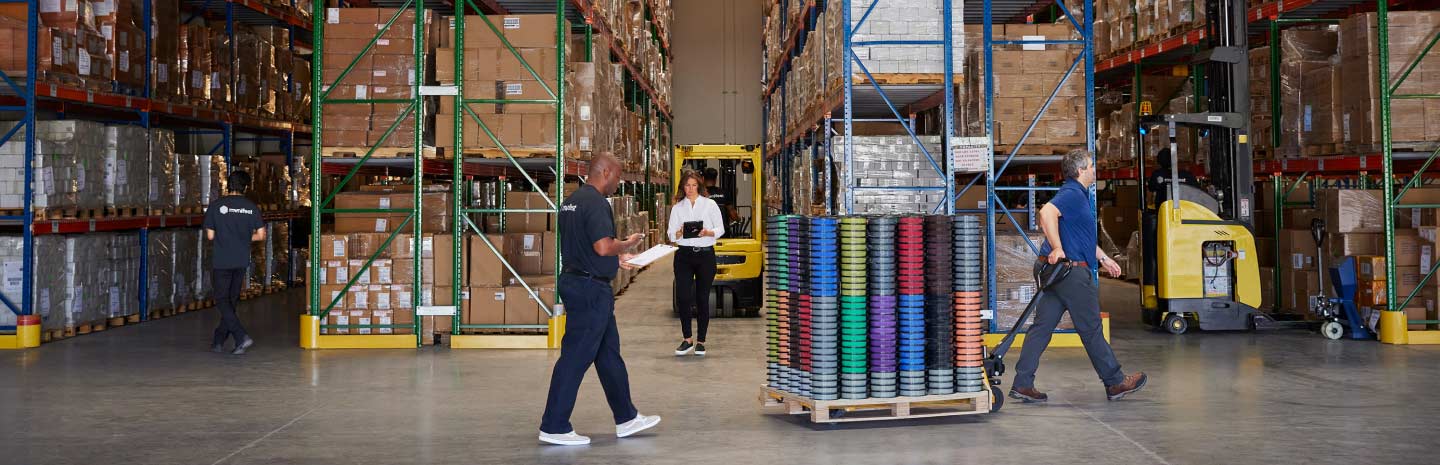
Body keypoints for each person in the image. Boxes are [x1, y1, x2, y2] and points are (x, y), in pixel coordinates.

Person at [539, 152, 661, 446]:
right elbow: (603, 246)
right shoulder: (595, 203)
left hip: (578, 279)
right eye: (617, 177)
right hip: (590, 290)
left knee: (608, 356)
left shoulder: (571, 201)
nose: (617, 184)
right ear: (605, 173)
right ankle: (554, 425)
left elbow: (584, 248)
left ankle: (627, 418)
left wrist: (616, 262)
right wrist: (626, 245)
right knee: (576, 356)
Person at [1011, 149, 1148, 403]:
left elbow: (1081, 237)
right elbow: (1046, 213)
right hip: (1070, 272)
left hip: (1059, 272)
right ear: (1080, 171)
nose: (1095, 169)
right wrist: (1058, 248)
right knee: (1092, 328)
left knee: (1041, 328)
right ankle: (1115, 382)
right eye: (1091, 165)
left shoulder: (1079, 195)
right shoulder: (1072, 193)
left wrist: (1103, 258)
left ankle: (1022, 383)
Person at [202, 170, 266, 355]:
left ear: (228, 185)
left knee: (222, 300)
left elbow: (210, 235)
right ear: (245, 187)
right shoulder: (250, 207)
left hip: (222, 259)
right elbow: (261, 235)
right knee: (231, 301)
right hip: (241, 259)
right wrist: (244, 238)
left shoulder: (216, 206)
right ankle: (218, 340)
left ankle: (241, 336)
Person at [668, 170, 725, 356]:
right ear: (682, 187)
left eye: (694, 185)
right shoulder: (677, 208)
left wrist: (707, 232)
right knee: (683, 297)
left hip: (705, 256)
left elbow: (720, 229)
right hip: (684, 256)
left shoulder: (710, 205)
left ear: (699, 186)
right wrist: (680, 232)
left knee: (702, 299)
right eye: (687, 185)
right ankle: (687, 340)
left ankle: (701, 341)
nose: (690, 189)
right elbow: (670, 235)